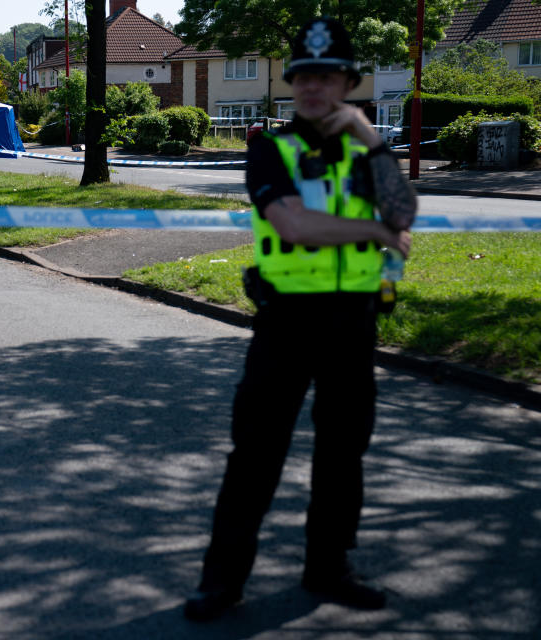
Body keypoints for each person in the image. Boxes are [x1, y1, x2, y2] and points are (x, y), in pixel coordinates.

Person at [183, 16, 417, 622]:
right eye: (304, 77)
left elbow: (405, 214)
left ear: (346, 83)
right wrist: (372, 230)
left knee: (343, 454)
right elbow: (293, 225)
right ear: (291, 83)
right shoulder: (270, 150)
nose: (314, 87)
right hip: (286, 325)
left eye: (327, 76)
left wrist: (374, 140)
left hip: (354, 325)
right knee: (255, 455)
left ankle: (328, 567)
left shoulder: (366, 152)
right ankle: (222, 581)